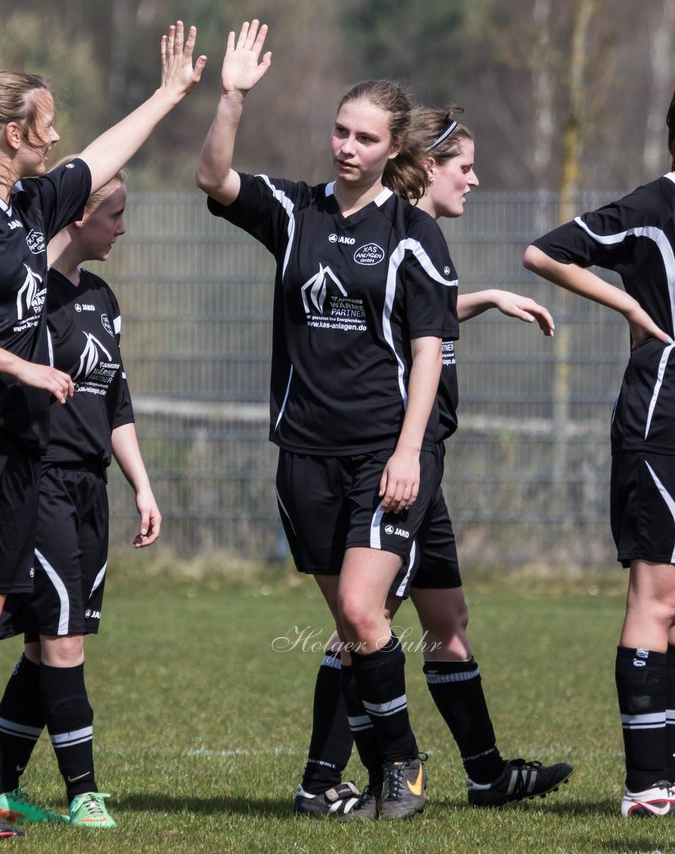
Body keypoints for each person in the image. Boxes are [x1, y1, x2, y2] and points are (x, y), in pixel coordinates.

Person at [0, 22, 204, 841]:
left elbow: (98, 158)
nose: (57, 134)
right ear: (13, 133)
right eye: (46, 121)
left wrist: (169, 95)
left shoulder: (25, 202)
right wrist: (22, 367)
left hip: (12, 439)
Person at [196, 21, 456, 820]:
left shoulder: (414, 237)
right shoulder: (294, 210)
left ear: (391, 150)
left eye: (364, 137)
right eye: (340, 131)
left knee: (359, 611)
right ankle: (334, 780)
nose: (346, 146)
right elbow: (213, 177)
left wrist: (410, 451)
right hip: (303, 453)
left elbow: (429, 353)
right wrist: (232, 96)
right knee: (351, 627)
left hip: (383, 452)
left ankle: (403, 767)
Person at [292, 107, 573, 820]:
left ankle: (485, 774)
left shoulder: (421, 245)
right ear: (425, 163)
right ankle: (322, 778)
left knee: (447, 616)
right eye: (464, 166)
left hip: (425, 459)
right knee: (366, 614)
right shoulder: (396, 234)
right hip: (398, 461)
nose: (474, 179)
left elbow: (421, 317)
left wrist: (483, 299)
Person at [0, 167, 160, 830]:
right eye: (114, 214)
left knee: (41, 646)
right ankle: (84, 794)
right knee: (63, 639)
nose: (122, 227)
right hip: (40, 482)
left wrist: (141, 484)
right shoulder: (29, 295)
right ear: (78, 217)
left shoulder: (103, 298)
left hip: (90, 487)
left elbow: (117, 402)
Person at [524, 87, 675, 817]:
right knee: (658, 598)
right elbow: (543, 251)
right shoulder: (651, 209)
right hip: (660, 425)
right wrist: (626, 305)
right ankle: (647, 787)